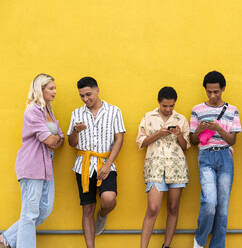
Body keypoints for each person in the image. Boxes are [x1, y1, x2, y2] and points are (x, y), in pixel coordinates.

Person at [0, 74, 64, 248]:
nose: (55, 91)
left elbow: (60, 139)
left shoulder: (49, 111)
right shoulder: (33, 110)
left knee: (44, 210)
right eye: (51, 88)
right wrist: (55, 138)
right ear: (40, 89)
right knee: (29, 214)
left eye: (54, 88)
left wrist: (55, 139)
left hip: (46, 167)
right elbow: (51, 140)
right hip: (32, 165)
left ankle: (5, 239)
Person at [67, 77, 125, 248]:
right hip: (83, 166)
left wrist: (108, 165)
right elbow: (71, 143)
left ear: (97, 90)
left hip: (105, 161)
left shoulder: (114, 111)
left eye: (88, 94)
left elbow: (119, 139)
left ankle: (102, 215)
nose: (86, 99)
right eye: (82, 96)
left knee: (108, 199)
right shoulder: (76, 114)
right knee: (87, 209)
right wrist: (75, 132)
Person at [190, 71, 242, 248]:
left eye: (216, 92)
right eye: (209, 92)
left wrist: (218, 128)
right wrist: (199, 130)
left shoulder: (232, 110)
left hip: (225, 156)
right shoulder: (197, 110)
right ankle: (199, 241)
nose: (213, 96)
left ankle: (218, 245)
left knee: (223, 207)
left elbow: (233, 140)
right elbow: (192, 140)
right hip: (205, 155)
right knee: (210, 202)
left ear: (223, 89)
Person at [137, 86, 190, 248]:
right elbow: (140, 143)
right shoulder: (148, 117)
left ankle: (166, 245)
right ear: (159, 103)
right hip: (155, 168)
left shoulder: (181, 119)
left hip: (177, 168)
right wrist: (159, 134)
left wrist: (179, 134)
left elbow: (186, 147)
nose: (168, 109)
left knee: (173, 207)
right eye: (165, 106)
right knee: (153, 208)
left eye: (171, 106)